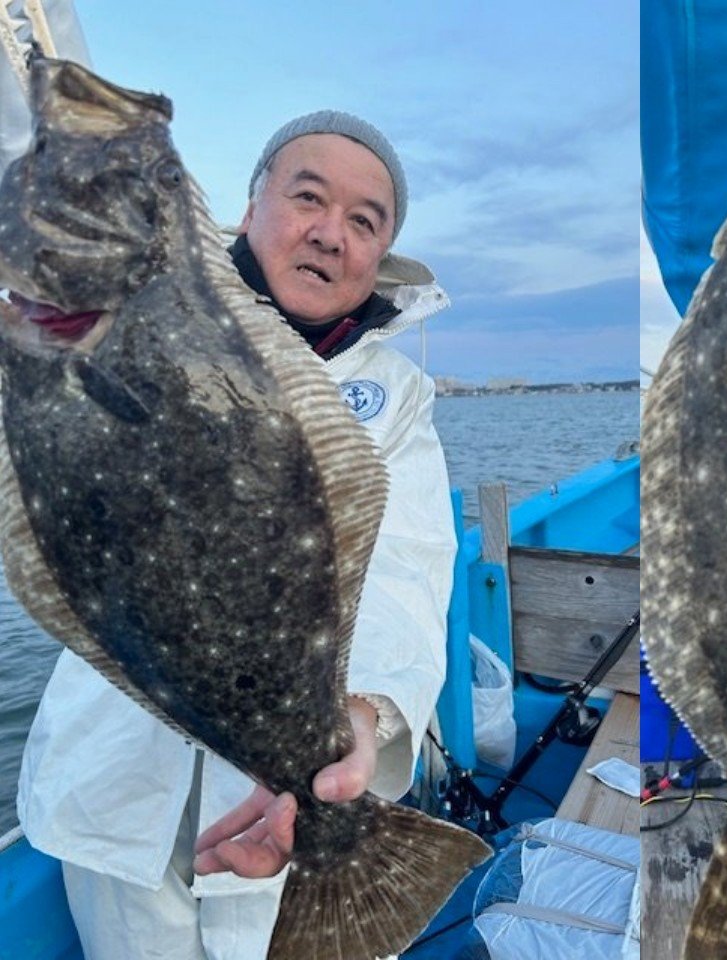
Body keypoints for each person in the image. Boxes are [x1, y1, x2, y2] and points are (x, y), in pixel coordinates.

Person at [17, 111, 456, 960]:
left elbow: (406, 568)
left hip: (289, 826)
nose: (330, 234)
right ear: (252, 206)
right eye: (308, 198)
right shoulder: (125, 318)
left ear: (383, 251)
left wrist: (355, 724)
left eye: (365, 221)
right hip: (113, 791)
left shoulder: (396, 394)